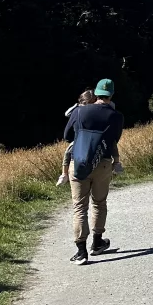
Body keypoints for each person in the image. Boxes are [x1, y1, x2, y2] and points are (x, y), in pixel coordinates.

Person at [63, 77, 125, 264]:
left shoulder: (80, 111)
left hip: (79, 163)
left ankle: (81, 252)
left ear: (96, 93)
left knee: (80, 207)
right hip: (103, 163)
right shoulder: (116, 116)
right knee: (99, 203)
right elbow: (115, 140)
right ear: (111, 95)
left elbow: (67, 136)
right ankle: (97, 243)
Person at [57, 89, 123, 185]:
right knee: (69, 150)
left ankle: (117, 163)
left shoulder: (91, 110)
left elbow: (67, 136)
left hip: (82, 140)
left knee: (71, 150)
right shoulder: (78, 109)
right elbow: (67, 113)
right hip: (95, 145)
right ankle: (64, 173)